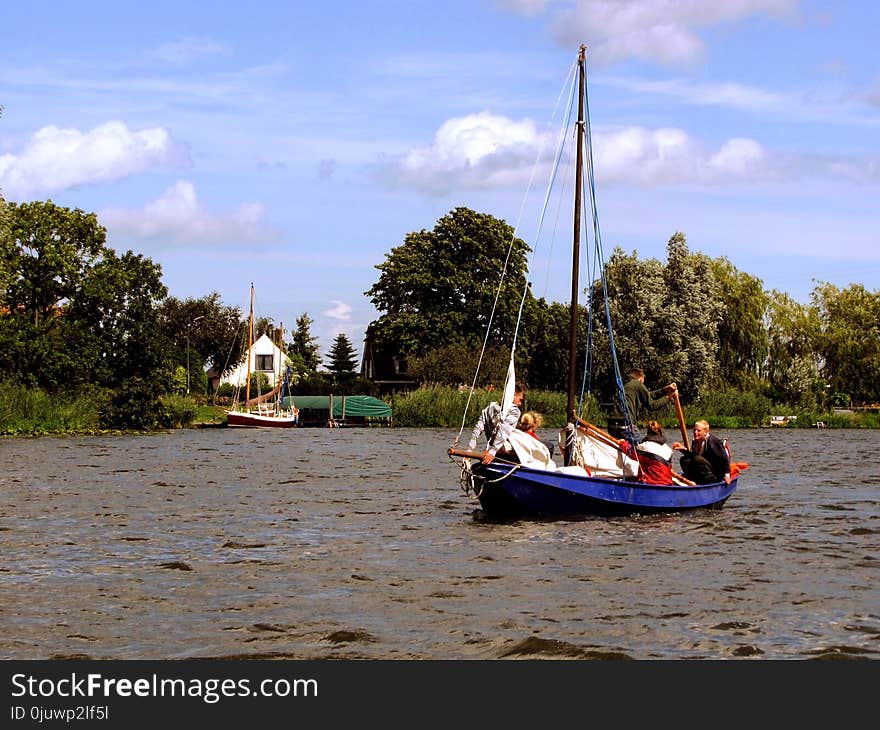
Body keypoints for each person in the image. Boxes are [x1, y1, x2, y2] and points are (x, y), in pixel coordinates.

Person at [608, 368, 677, 442]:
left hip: (612, 425)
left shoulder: (624, 385)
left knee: (622, 448)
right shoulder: (638, 384)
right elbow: (652, 405)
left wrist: (664, 390)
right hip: (626, 425)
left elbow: (647, 396)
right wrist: (669, 398)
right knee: (641, 449)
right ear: (641, 378)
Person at [467, 384, 525, 464]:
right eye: (520, 400)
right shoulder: (514, 411)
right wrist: (492, 452)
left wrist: (469, 450)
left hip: (492, 451)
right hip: (503, 452)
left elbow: (477, 430)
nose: (520, 403)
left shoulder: (488, 409)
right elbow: (503, 432)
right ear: (513, 395)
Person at [672, 420, 731, 484]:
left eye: (698, 431)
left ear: (705, 432)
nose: (695, 432)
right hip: (702, 468)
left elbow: (723, 458)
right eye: (694, 430)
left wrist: (726, 475)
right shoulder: (695, 441)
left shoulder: (713, 442)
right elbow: (693, 456)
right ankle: (692, 478)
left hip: (715, 473)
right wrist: (683, 450)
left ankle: (709, 481)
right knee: (684, 459)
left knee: (697, 459)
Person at [624, 420, 674, 485]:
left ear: (647, 432)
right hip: (667, 483)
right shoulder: (668, 449)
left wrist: (623, 443)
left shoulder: (645, 446)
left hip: (652, 483)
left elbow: (632, 453)